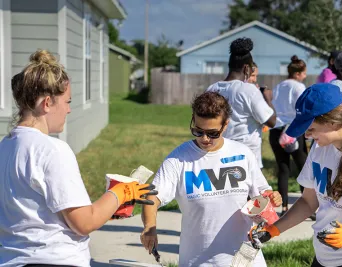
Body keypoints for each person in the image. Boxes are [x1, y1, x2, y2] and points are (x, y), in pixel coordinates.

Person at [0, 50, 157, 267]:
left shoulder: (5, 147)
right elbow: (84, 223)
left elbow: (39, 215)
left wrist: (107, 210)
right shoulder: (52, 150)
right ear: (47, 103)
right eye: (67, 101)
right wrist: (121, 193)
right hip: (54, 261)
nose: (69, 110)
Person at [249, 83, 342, 267]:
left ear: (332, 121)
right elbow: (309, 202)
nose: (307, 136)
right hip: (325, 258)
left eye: (310, 129)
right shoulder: (320, 147)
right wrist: (273, 229)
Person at [140, 92, 282, 267]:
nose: (205, 138)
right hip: (199, 261)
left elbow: (263, 194)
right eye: (198, 131)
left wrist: (272, 197)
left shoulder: (242, 153)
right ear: (193, 120)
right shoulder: (178, 159)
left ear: (226, 126)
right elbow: (151, 197)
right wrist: (149, 227)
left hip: (246, 260)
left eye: (213, 133)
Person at [206, 37, 276, 169]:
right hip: (246, 159)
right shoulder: (248, 90)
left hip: (218, 156)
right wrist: (267, 98)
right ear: (246, 69)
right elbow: (271, 121)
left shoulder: (212, 89)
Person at [270, 55, 308, 216]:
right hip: (293, 130)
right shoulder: (299, 87)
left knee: (283, 168)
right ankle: (308, 207)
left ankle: (284, 207)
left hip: (277, 130)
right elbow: (302, 110)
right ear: (298, 73)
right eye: (305, 73)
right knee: (304, 170)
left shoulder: (279, 86)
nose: (305, 76)